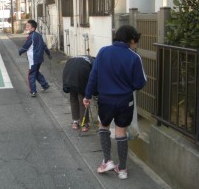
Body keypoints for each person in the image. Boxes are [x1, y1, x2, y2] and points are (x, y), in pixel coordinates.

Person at [83, 25, 147, 180]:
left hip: (105, 99)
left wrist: (87, 95)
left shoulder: (103, 52)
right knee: (121, 132)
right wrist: (127, 86)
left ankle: (107, 161)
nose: (135, 45)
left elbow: (93, 76)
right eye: (135, 42)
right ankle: (123, 169)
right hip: (125, 100)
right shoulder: (134, 57)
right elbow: (141, 83)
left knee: (103, 126)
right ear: (131, 39)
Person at [18, 19, 52, 97]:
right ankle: (45, 85)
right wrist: (48, 54)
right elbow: (44, 46)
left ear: (33, 28)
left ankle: (33, 91)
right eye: (26, 26)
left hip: (33, 59)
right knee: (36, 72)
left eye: (28, 26)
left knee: (31, 75)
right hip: (39, 59)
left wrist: (20, 51)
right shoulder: (38, 35)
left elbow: (25, 47)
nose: (26, 27)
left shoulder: (31, 36)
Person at [62, 55, 94, 132]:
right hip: (81, 75)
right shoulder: (93, 61)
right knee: (83, 99)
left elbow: (65, 71)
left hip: (69, 75)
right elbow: (94, 76)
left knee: (73, 98)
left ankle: (75, 122)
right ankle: (84, 124)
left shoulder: (74, 59)